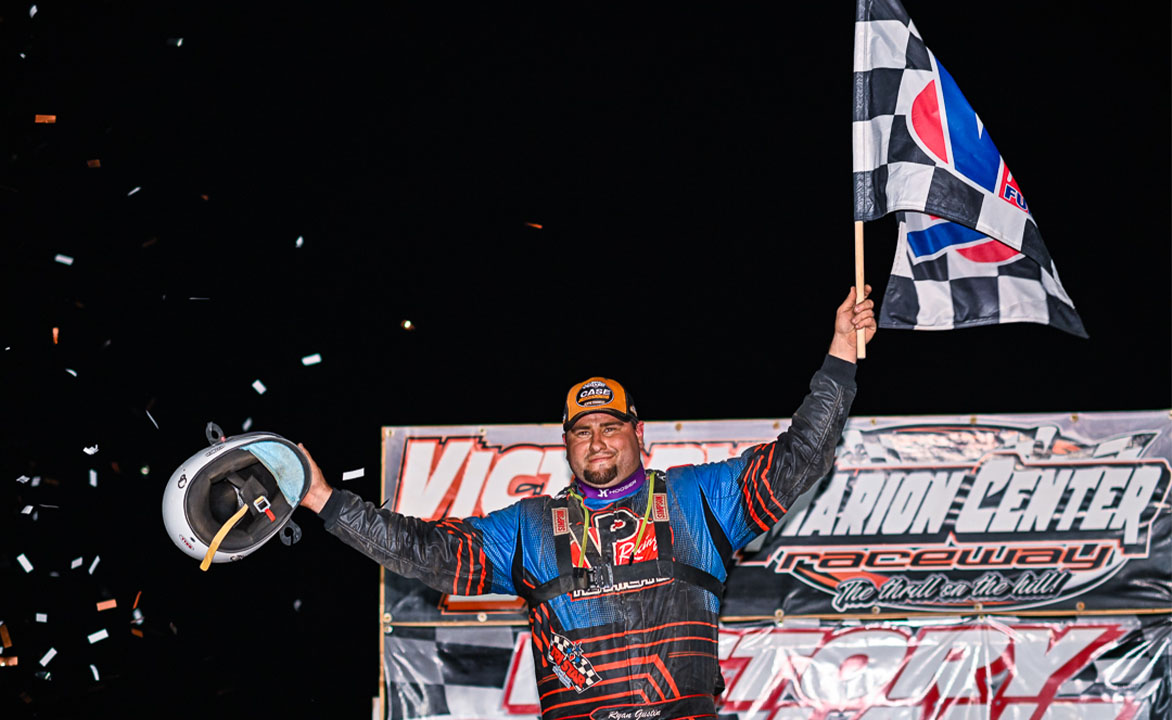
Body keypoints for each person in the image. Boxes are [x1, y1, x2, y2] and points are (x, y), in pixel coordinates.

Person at [299, 287, 876, 720]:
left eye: (610, 425)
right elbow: (424, 550)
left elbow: (802, 456)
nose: (597, 440)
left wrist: (840, 359)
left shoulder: (697, 500)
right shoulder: (528, 529)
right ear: (567, 444)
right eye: (582, 430)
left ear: (637, 431)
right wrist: (325, 499)